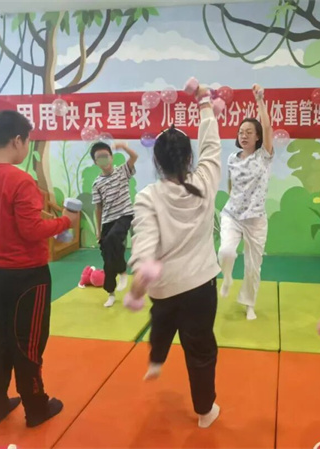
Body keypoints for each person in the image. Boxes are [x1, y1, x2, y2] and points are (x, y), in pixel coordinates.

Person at [0, 110, 79, 427]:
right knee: (28, 343)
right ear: (17, 140)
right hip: (27, 278)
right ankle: (36, 407)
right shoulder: (19, 180)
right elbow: (31, 230)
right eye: (26, 142)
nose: (26, 148)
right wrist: (67, 222)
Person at [126, 84, 222, 428]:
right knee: (200, 349)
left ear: (156, 161)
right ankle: (205, 412)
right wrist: (205, 103)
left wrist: (141, 271)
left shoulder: (148, 196)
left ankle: (156, 360)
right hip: (200, 285)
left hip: (164, 287)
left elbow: (144, 240)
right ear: (189, 158)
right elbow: (212, 146)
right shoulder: (205, 180)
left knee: (162, 320)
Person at [218, 84, 273, 320]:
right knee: (226, 251)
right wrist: (234, 202)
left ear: (258, 136)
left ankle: (249, 303)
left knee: (253, 266)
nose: (244, 135)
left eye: (249, 132)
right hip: (232, 215)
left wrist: (259, 100)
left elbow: (268, 127)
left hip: (256, 219)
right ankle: (227, 278)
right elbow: (231, 185)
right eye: (241, 132)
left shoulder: (264, 156)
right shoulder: (232, 158)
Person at [91, 141, 138, 307]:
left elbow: (134, 157)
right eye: (99, 158)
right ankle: (110, 292)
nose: (104, 160)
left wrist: (124, 147)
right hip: (107, 221)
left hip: (124, 215)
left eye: (106, 156)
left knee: (113, 238)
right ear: (95, 162)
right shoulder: (97, 183)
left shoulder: (122, 171)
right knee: (107, 257)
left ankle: (123, 270)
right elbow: (98, 208)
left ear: (111, 157)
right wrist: (98, 231)